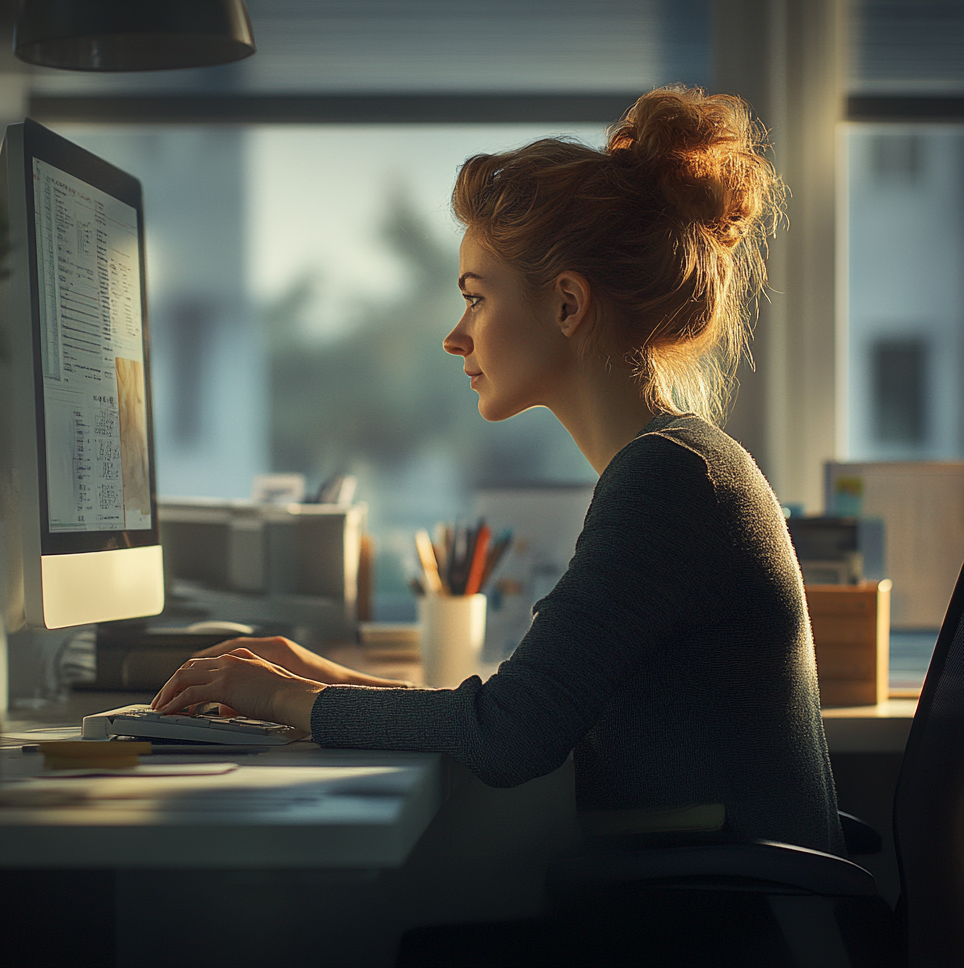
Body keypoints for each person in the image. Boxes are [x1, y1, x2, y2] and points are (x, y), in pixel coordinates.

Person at [152, 85, 845, 856]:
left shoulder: (669, 481)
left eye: (476, 299)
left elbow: (510, 737)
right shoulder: (681, 463)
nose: (456, 337)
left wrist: (285, 696)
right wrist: (317, 680)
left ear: (567, 305)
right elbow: (518, 706)